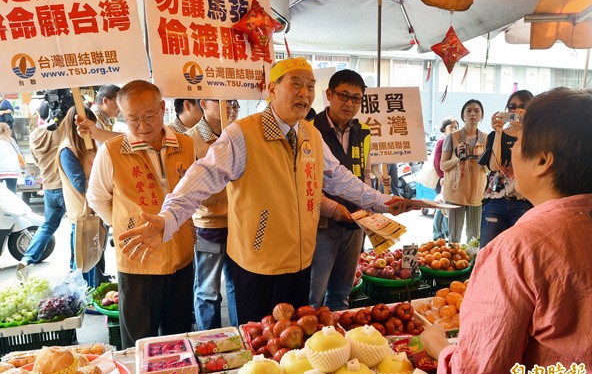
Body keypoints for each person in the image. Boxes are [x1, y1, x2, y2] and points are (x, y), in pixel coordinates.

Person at [116, 58, 415, 325]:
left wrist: (383, 202)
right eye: (295, 85)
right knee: (259, 344)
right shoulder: (243, 133)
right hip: (257, 265)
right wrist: (169, 219)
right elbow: (203, 175)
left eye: (310, 86)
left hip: (300, 262)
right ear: (272, 90)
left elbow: (337, 177)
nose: (304, 93)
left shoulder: (309, 132)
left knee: (293, 343)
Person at [420, 88, 592, 374]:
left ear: (543, 160)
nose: (513, 150)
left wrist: (440, 349)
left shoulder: (518, 249)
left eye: (518, 142)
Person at [85, 80, 196, 348]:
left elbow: (194, 192)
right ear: (122, 115)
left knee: (178, 338)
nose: (143, 126)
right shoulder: (111, 151)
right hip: (138, 263)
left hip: (181, 257)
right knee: (139, 343)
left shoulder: (186, 144)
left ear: (162, 107)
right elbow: (97, 199)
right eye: (133, 119)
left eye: (149, 116)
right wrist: (124, 222)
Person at [309, 69, 373, 311]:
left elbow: (364, 175)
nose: (349, 103)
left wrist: (370, 209)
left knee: (341, 295)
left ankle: (338, 345)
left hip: (355, 225)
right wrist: (333, 209)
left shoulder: (363, 132)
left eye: (356, 98)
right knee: (313, 297)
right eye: (343, 96)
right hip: (321, 226)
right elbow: (305, 185)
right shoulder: (309, 130)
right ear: (329, 94)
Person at [185, 99, 238, 329]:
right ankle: (209, 339)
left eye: (234, 102)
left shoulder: (238, 135)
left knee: (238, 286)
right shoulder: (190, 140)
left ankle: (242, 335)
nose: (231, 107)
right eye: (223, 101)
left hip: (238, 223)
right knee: (208, 290)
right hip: (207, 225)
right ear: (204, 103)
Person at [57, 106, 108, 288]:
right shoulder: (67, 151)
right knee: (82, 261)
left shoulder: (92, 146)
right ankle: (81, 296)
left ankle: (93, 292)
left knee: (96, 256)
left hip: (98, 211)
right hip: (82, 215)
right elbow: (80, 183)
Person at [477, 90, 534, 249]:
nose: (516, 110)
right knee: (487, 250)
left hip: (524, 202)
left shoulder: (535, 137)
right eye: (512, 106)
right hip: (496, 200)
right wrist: (499, 132)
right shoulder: (494, 135)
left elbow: (530, 164)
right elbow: (494, 166)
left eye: (523, 106)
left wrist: (523, 131)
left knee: (516, 251)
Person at [16, 102, 66, 282]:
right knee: (78, 225)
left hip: (49, 187)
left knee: (48, 226)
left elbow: (36, 161)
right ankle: (75, 266)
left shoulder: (34, 135)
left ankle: (27, 259)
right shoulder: (61, 131)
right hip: (66, 186)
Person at [440, 100, 487, 243]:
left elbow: (490, 167)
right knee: (454, 237)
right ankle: (453, 264)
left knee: (474, 237)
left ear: (481, 115)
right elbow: (443, 165)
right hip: (456, 193)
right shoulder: (452, 137)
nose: (472, 114)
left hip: (477, 193)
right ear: (463, 115)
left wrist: (483, 160)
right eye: (469, 111)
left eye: (476, 111)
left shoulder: (486, 138)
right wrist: (457, 158)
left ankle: (472, 265)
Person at [432, 117, 458, 240]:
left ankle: (445, 232)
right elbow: (437, 161)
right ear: (444, 129)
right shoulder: (442, 141)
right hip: (442, 179)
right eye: (451, 127)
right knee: (441, 206)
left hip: (449, 178)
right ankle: (437, 234)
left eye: (456, 127)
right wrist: (442, 177)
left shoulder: (453, 141)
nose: (454, 130)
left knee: (446, 206)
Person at [0, 123, 23, 193]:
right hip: (13, 170)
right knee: (12, 191)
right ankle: (12, 204)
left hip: (1, 169)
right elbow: (19, 153)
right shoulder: (12, 141)